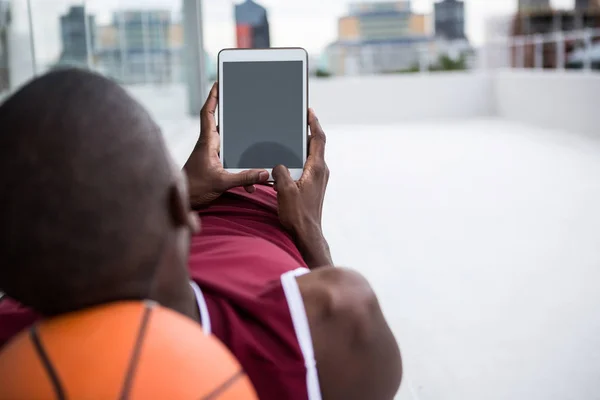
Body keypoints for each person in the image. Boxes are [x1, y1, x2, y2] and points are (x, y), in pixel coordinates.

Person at [0, 69, 402, 400]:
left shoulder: (11, 349)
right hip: (260, 230)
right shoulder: (336, 316)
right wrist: (311, 231)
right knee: (261, 187)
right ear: (181, 209)